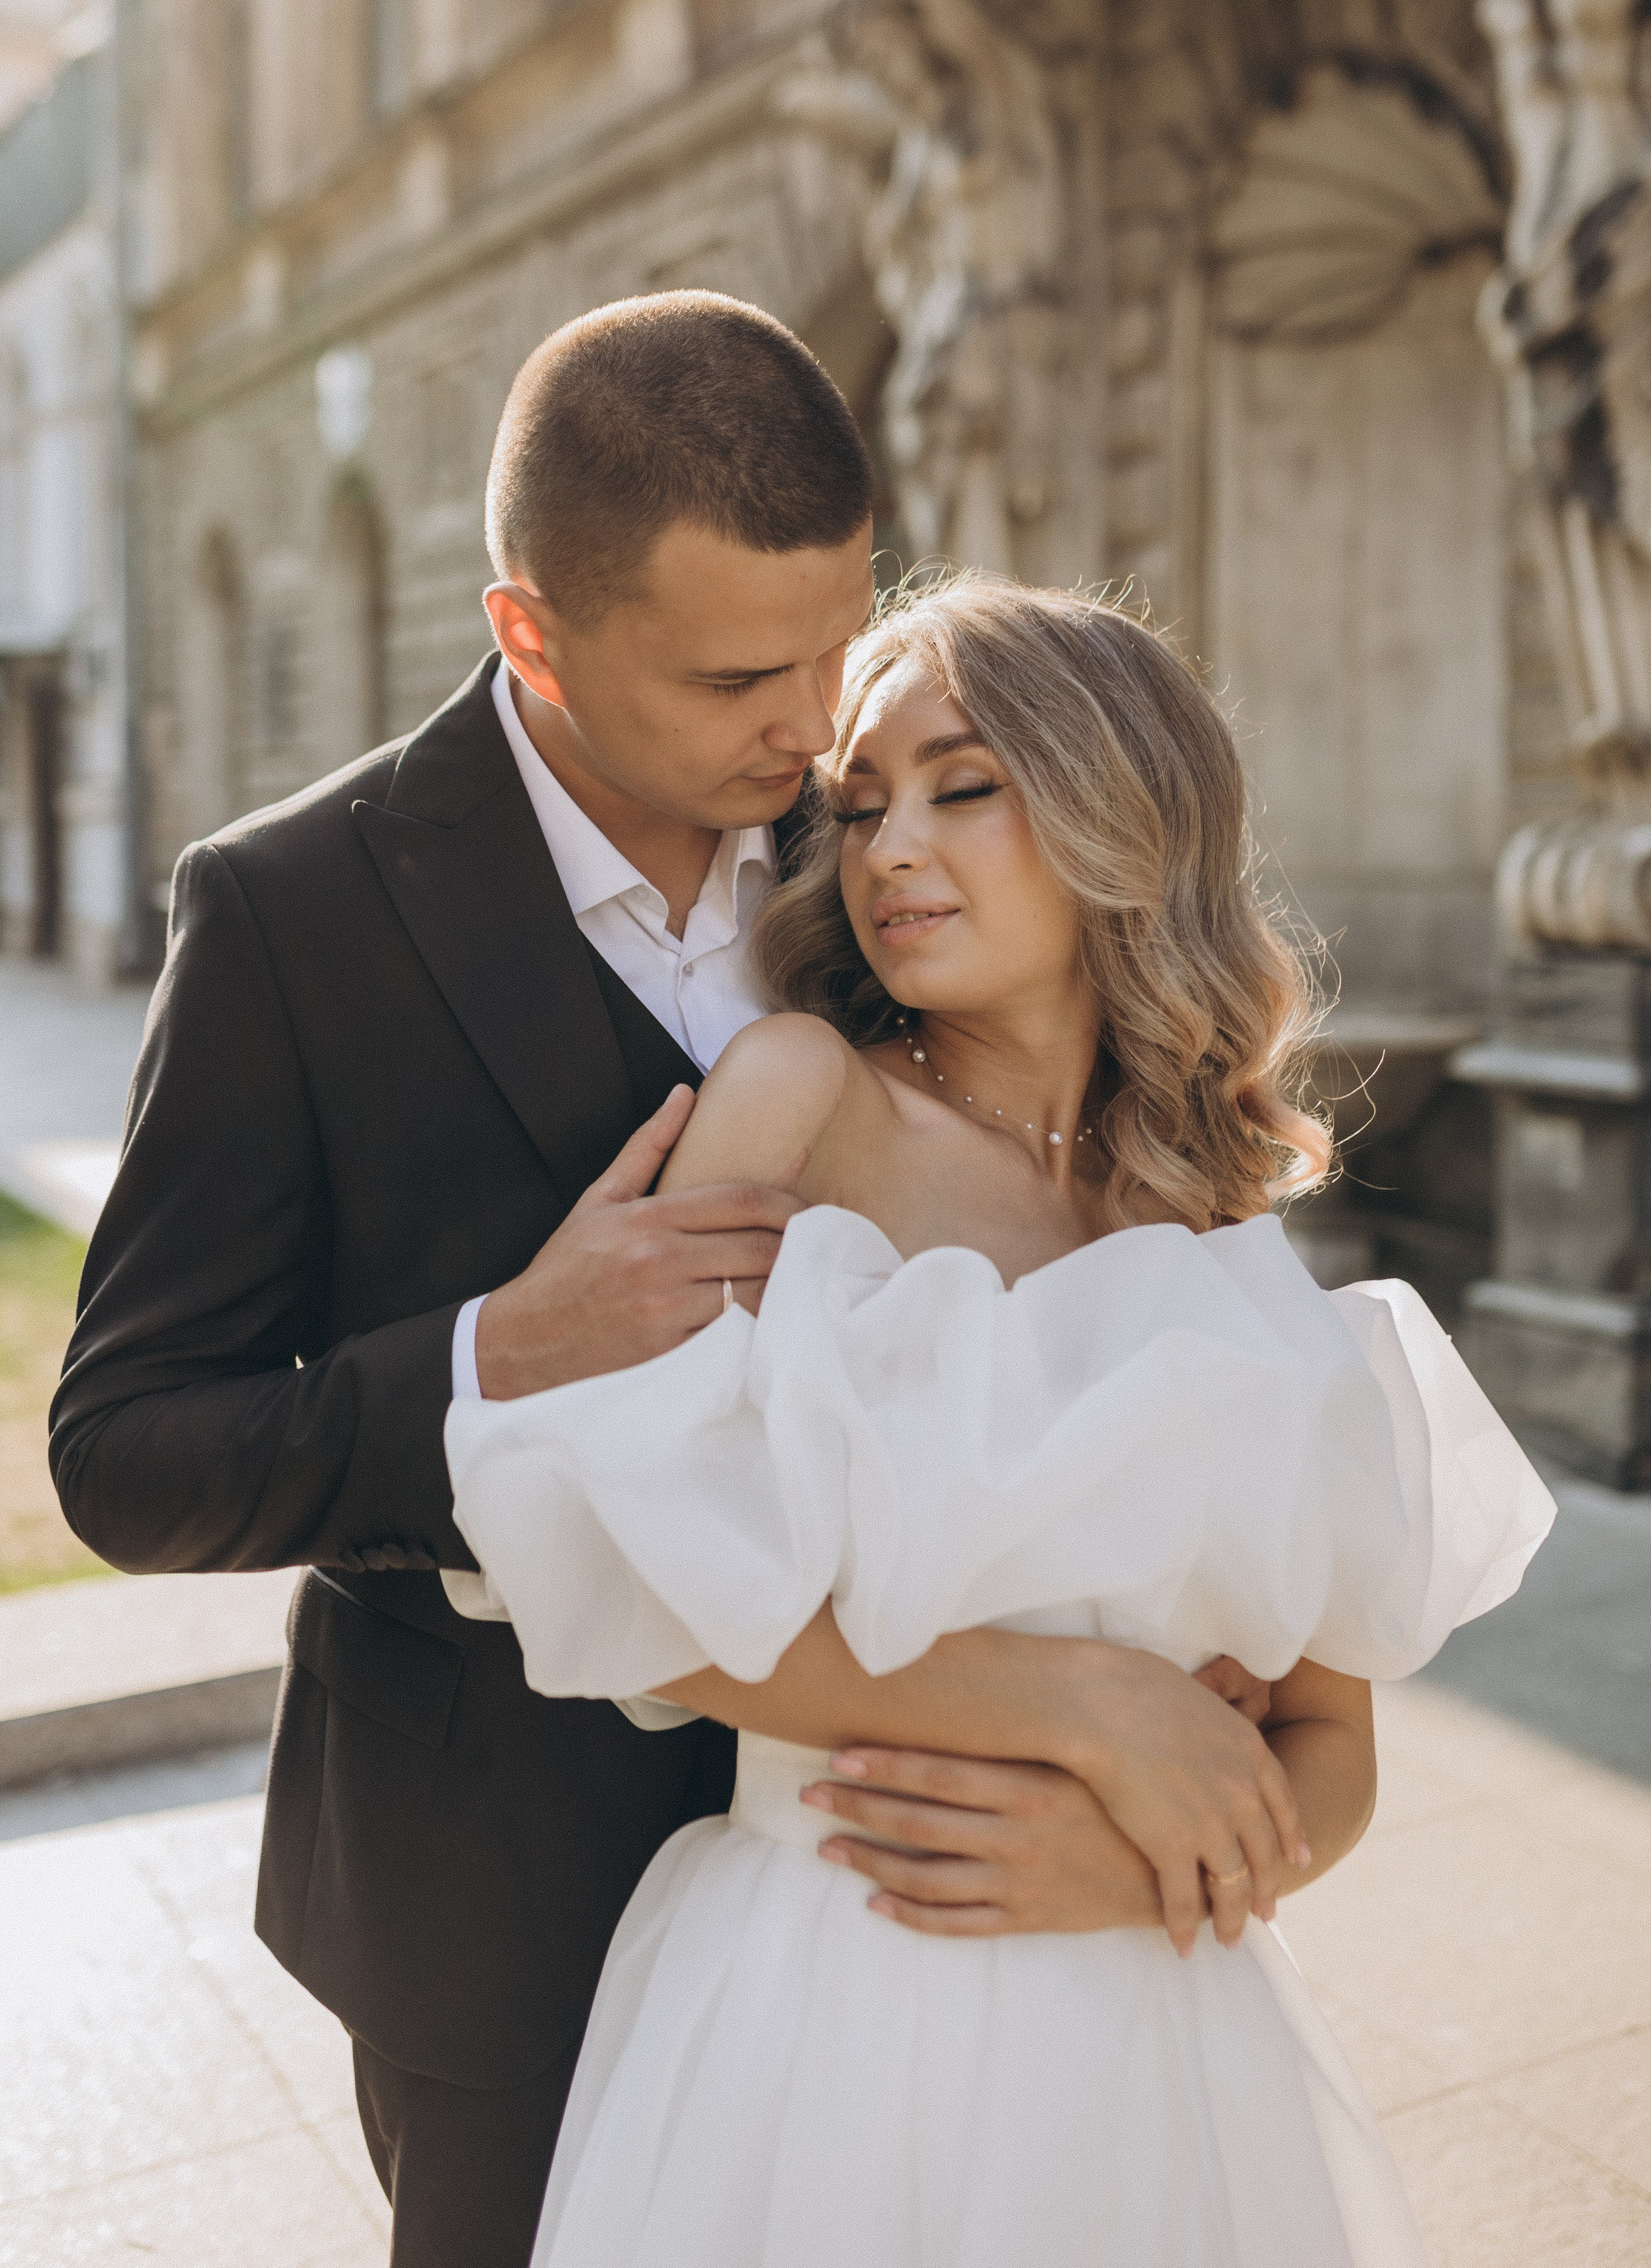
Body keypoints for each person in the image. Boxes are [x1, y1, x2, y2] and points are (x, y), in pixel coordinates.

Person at [53, 295, 1340, 2268]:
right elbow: (129, 1448)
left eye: (842, 638)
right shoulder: (294, 913)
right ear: (533, 635)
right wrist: (498, 1353)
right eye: (749, 675)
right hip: (494, 1882)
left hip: (949, 1870)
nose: (821, 719)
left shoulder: (871, 876)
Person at [445, 578, 1556, 2268]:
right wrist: (1094, 1711)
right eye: (861, 803)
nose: (889, 847)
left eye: (961, 786)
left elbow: (1327, 1757)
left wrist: (1142, 1871)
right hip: (838, 1988)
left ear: (1123, 805)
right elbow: (626, 1578)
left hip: (1164, 2025)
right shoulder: (800, 1098)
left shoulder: (1216, 1223)